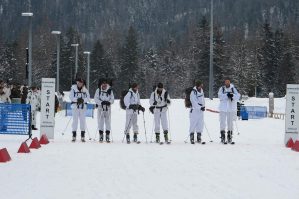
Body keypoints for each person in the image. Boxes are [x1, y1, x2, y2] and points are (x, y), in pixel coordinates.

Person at [218, 78, 240, 144]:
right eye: (226, 82)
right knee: (222, 122)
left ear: (230, 82)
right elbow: (220, 96)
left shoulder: (233, 88)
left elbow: (238, 96)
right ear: (225, 82)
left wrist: (232, 95)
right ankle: (222, 136)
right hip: (223, 108)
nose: (227, 83)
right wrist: (226, 95)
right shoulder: (222, 89)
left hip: (231, 108)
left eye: (228, 82)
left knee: (230, 122)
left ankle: (229, 136)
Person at [69, 77, 90, 142]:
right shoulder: (73, 89)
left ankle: (83, 135)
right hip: (75, 107)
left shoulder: (85, 90)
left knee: (82, 121)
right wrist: (77, 100)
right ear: (77, 83)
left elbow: (88, 98)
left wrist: (83, 100)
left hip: (83, 107)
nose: (80, 84)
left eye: (81, 83)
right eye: (78, 82)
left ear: (83, 83)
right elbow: (71, 97)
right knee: (75, 121)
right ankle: (74, 135)